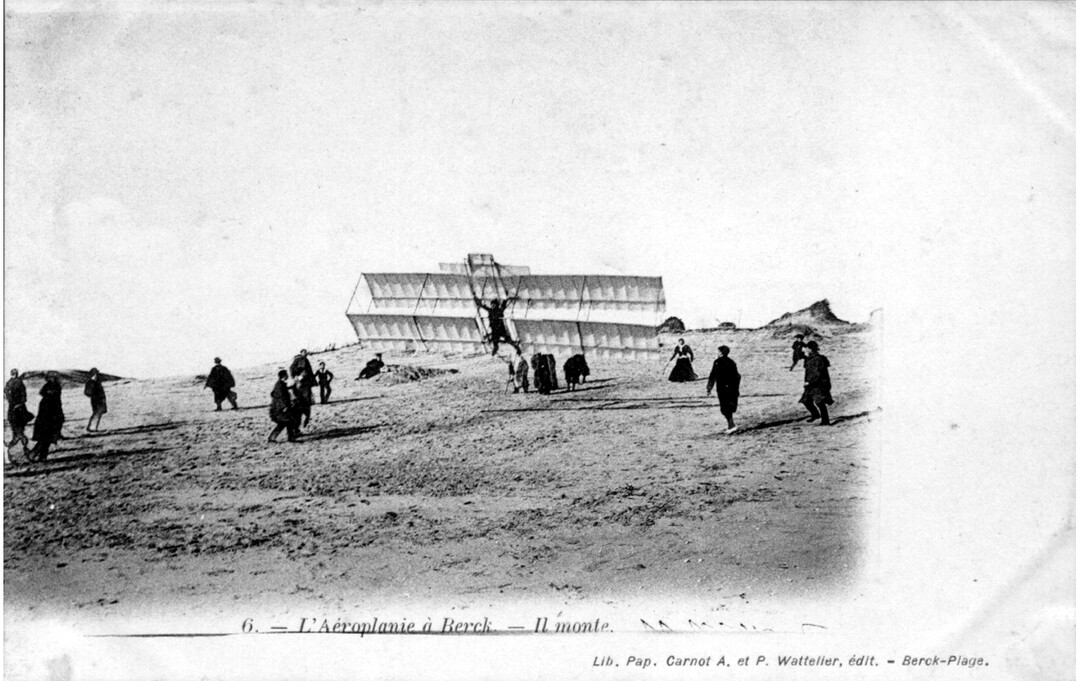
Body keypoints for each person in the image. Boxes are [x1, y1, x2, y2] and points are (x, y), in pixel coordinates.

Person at [29, 372, 64, 461]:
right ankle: (35, 455)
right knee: (45, 439)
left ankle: (39, 456)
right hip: (49, 420)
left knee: (46, 439)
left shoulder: (51, 390)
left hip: (49, 419)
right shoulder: (52, 391)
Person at [706, 346, 741, 434]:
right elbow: (737, 376)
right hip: (731, 388)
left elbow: (712, 375)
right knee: (729, 406)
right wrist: (736, 387)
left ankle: (731, 425)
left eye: (718, 352)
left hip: (722, 388)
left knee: (724, 407)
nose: (717, 353)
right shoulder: (731, 362)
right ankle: (731, 425)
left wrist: (709, 387)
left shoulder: (717, 362)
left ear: (721, 353)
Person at [800, 341, 834, 426]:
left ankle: (825, 421)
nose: (804, 350)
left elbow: (817, 373)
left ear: (810, 349)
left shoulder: (818, 359)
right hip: (811, 383)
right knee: (806, 400)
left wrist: (809, 382)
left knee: (819, 402)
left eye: (806, 348)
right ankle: (815, 415)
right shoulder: (809, 359)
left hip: (819, 383)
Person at [5, 369, 32, 450]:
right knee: (13, 421)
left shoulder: (18, 382)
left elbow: (24, 394)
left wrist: (20, 403)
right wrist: (10, 400)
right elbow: (5, 392)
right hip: (14, 405)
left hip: (19, 405)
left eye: (16, 373)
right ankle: (19, 437)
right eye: (14, 373)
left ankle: (20, 437)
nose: (15, 375)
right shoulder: (10, 382)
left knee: (20, 421)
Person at [268, 370, 298, 442]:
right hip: (280, 409)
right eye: (286, 375)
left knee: (284, 423)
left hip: (278, 408)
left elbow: (273, 393)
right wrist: (284, 406)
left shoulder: (279, 384)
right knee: (288, 422)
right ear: (284, 376)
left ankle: (272, 438)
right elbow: (281, 396)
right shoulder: (280, 385)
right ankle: (290, 438)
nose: (287, 376)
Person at [84, 368, 108, 432]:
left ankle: (92, 428)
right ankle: (92, 428)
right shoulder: (91, 382)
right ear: (93, 374)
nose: (97, 375)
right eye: (96, 373)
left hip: (100, 400)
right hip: (96, 401)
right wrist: (94, 395)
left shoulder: (96, 382)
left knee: (98, 413)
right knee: (96, 413)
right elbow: (87, 392)